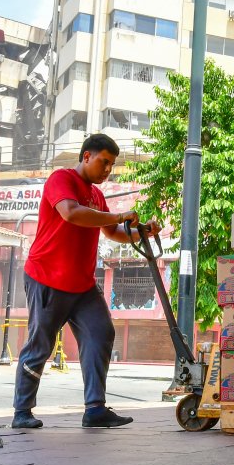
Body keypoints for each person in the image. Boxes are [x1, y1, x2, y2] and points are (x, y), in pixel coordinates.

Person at [11, 134, 160, 430]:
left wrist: (143, 232)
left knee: (101, 334)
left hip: (81, 285)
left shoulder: (97, 196)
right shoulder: (61, 179)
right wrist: (117, 214)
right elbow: (71, 213)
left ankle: (95, 409)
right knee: (40, 346)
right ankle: (22, 412)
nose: (108, 170)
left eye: (112, 165)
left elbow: (113, 232)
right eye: (104, 162)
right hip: (47, 278)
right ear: (87, 156)